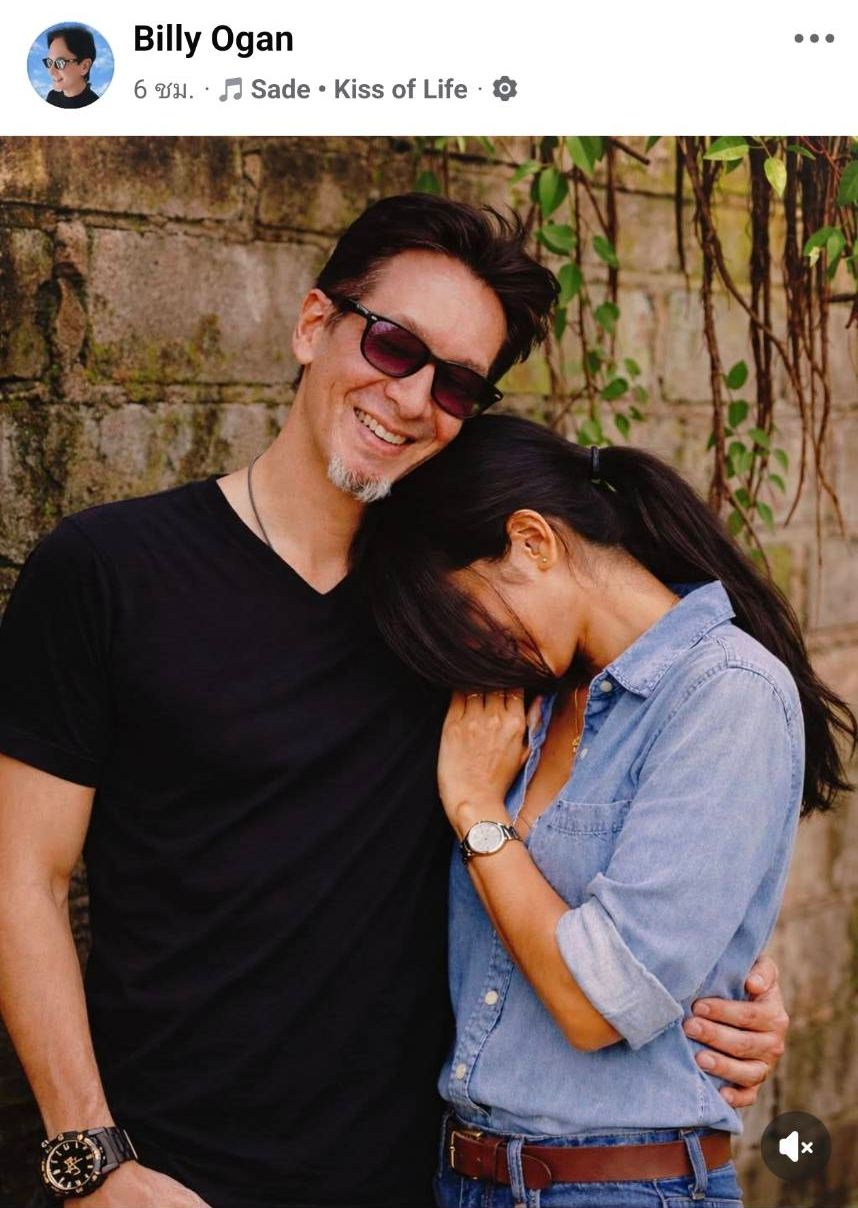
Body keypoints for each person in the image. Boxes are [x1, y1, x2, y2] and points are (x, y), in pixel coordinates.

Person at [0, 195, 790, 1208]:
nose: (413, 397)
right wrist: (91, 1161)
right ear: (312, 325)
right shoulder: (108, 571)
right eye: (392, 345)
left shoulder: (475, 629)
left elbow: (626, 838)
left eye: (456, 383)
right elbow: (22, 875)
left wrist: (729, 991)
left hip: (424, 1178)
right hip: (173, 1175)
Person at [361, 413, 858, 1207]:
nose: (469, 652)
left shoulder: (727, 693)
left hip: (618, 1185)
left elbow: (601, 1005)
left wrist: (477, 811)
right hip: (465, 1177)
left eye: (467, 616)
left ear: (532, 542)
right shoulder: (526, 705)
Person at [42, 26, 99, 109]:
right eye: (49, 62)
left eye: (60, 62)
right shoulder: (52, 97)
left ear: (84, 66)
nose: (51, 72)